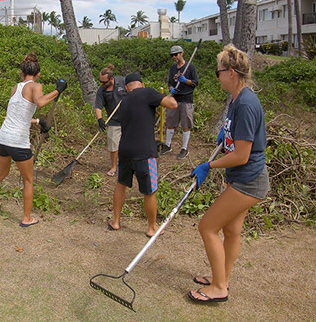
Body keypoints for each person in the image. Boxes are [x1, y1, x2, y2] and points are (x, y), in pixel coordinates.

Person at [187, 44, 269, 303]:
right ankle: (221, 277)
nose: (217, 76)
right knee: (232, 231)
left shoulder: (245, 103)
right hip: (242, 178)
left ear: (231, 72)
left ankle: (219, 288)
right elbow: (237, 140)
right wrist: (227, 135)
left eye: (218, 71)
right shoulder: (237, 99)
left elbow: (242, 156)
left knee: (208, 227)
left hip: (249, 180)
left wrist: (208, 166)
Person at [0, 52, 66, 227]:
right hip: (18, 142)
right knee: (28, 180)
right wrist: (58, 90)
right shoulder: (35, 86)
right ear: (37, 74)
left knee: (1, 173)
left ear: (22, 73)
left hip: (4, 138)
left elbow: (16, 116)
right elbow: (39, 103)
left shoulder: (15, 88)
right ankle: (26, 218)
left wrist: (38, 121)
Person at [108, 73, 177, 237]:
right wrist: (171, 93)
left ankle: (116, 221)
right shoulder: (147, 92)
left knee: (121, 184)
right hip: (145, 152)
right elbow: (172, 104)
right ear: (142, 84)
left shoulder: (123, 102)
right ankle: (152, 227)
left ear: (126, 88)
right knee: (150, 190)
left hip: (124, 151)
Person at [160, 45, 199, 160]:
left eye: (175, 54)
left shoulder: (190, 67)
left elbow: (195, 82)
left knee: (186, 123)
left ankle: (184, 148)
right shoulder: (173, 68)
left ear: (181, 53)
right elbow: (170, 82)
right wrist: (171, 88)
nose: (174, 57)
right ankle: (167, 145)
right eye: (172, 55)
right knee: (170, 121)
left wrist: (186, 81)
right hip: (174, 99)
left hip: (186, 99)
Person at [94, 64, 127, 177]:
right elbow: (98, 106)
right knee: (113, 145)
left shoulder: (122, 81)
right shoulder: (101, 90)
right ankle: (114, 167)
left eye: (104, 82)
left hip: (128, 119)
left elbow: (135, 88)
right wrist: (100, 119)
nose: (102, 84)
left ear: (111, 79)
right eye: (100, 81)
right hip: (114, 121)